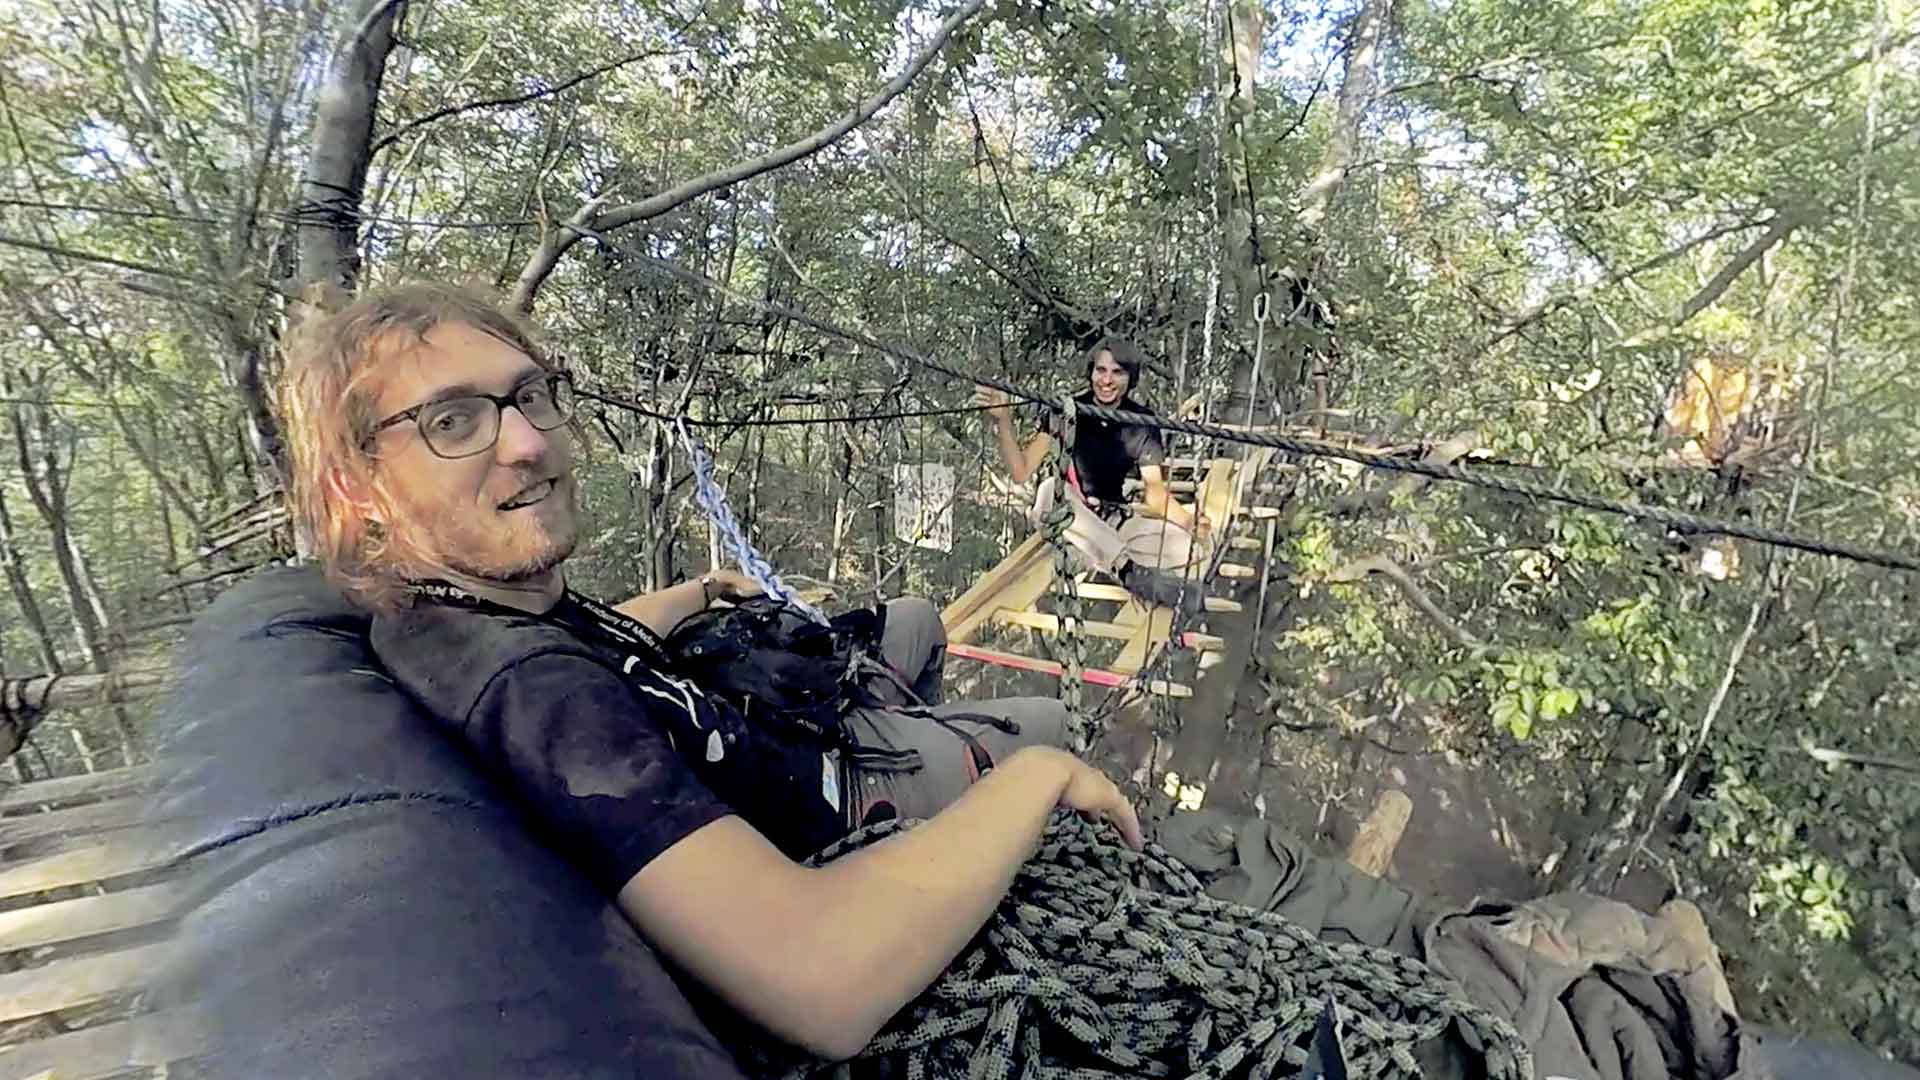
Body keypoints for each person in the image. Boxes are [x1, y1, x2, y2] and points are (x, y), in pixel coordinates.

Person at [277, 282, 1142, 1061]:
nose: (528, 441)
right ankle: (952, 794)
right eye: (452, 421)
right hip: (833, 808)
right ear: (358, 485)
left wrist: (698, 590)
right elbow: (822, 977)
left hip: (781, 740)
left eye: (530, 395)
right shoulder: (538, 695)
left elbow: (604, 635)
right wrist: (1034, 778)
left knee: (913, 620)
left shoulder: (475, 611)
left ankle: (935, 758)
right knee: (1053, 729)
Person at [975, 337, 1209, 614]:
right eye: (1101, 370)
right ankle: (1127, 571)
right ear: (1091, 373)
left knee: (1196, 549)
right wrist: (1003, 420)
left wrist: (1189, 521)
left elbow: (1154, 493)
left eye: (1117, 372)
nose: (1107, 380)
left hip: (1112, 524)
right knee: (1049, 489)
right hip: (1070, 521)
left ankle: (1113, 560)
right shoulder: (1066, 411)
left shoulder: (1142, 421)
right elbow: (1021, 472)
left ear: (1130, 378)